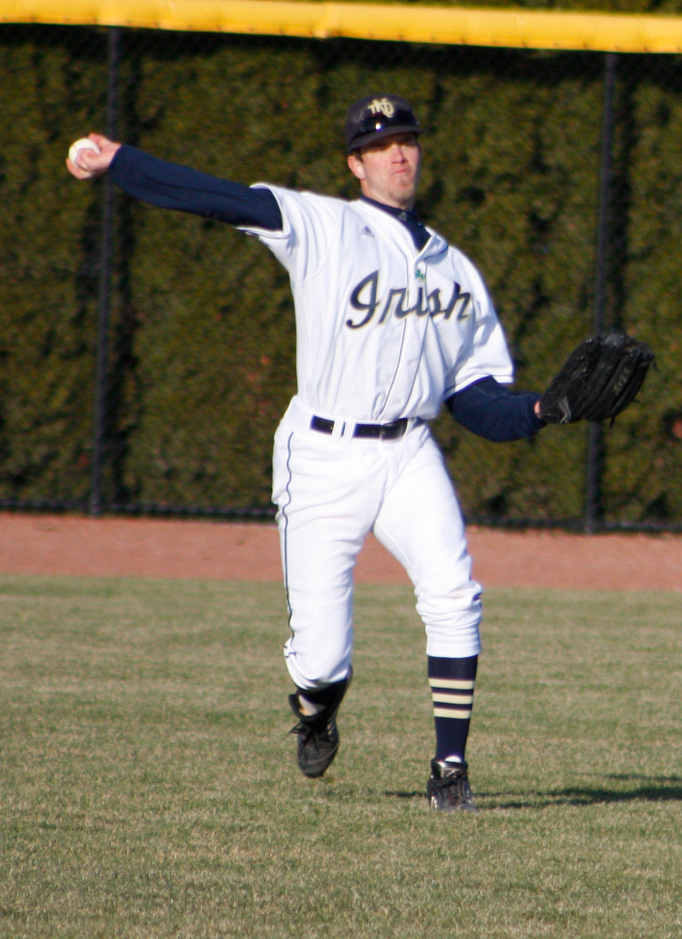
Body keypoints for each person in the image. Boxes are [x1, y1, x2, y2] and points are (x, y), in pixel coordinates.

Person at [67, 93, 546, 812]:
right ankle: (317, 707)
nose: (400, 153)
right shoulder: (322, 224)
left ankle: (450, 769)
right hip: (323, 453)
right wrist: (121, 163)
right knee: (321, 657)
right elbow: (217, 198)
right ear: (355, 164)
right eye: (381, 144)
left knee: (454, 594)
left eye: (408, 139)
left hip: (408, 449)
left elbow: (474, 399)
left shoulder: (455, 270)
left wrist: (543, 410)